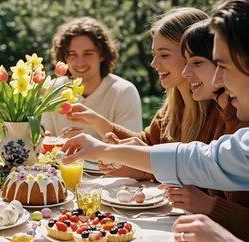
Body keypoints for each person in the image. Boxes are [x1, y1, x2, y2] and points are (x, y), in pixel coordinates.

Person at [61, 0, 249, 242]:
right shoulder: (183, 108)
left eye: (221, 65)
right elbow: (189, 159)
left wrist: (213, 210)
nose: (219, 78)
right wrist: (112, 146)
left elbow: (194, 164)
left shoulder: (229, 119)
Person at [63, 8, 209, 181]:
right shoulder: (173, 107)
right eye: (154, 54)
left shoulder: (221, 112)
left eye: (164, 55)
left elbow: (203, 180)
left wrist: (139, 168)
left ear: (191, 54)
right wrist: (99, 123)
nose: (154, 63)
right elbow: (147, 143)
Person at [162, 19, 249, 242]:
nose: (185, 72)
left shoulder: (236, 122)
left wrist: (211, 207)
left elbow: (194, 162)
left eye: (197, 62)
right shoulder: (225, 114)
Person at [40, 16, 142, 140]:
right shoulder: (51, 90)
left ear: (102, 55)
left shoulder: (124, 92)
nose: (80, 62)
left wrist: (89, 147)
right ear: (64, 57)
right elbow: (44, 144)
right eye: (72, 54)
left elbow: (132, 149)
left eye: (88, 54)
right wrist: (63, 141)